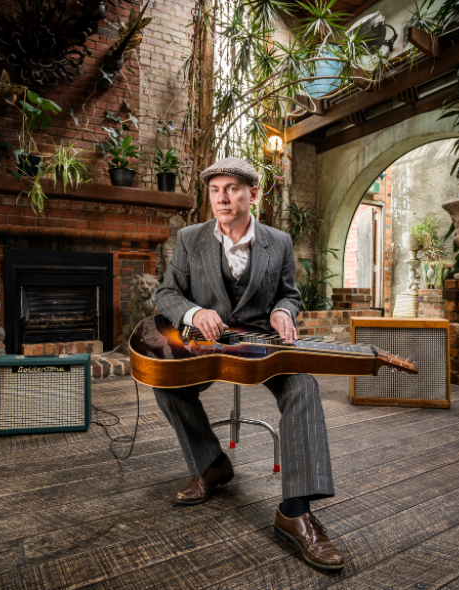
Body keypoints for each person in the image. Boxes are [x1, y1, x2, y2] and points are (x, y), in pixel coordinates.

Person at [153, 157, 344, 571]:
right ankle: (211, 465)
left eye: (232, 189)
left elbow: (290, 295)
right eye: (215, 190)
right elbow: (166, 294)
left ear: (252, 193)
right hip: (206, 346)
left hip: (263, 346)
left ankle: (296, 511)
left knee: (304, 387)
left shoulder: (281, 241)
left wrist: (283, 312)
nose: (222, 198)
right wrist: (193, 312)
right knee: (165, 382)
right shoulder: (189, 238)